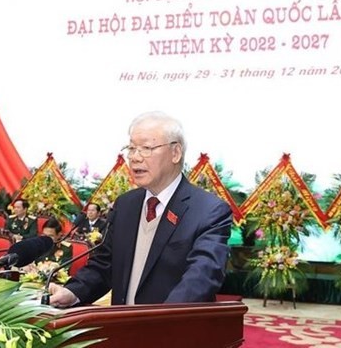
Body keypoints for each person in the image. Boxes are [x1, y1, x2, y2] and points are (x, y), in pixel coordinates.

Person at [49, 111, 232, 307]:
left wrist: (158, 321)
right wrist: (72, 292)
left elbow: (201, 277)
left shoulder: (208, 210)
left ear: (175, 153)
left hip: (172, 331)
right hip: (123, 329)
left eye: (146, 148)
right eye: (131, 148)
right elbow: (105, 265)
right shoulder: (126, 205)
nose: (135, 157)